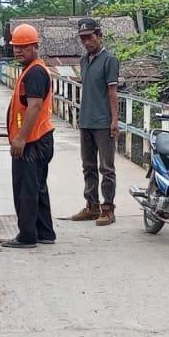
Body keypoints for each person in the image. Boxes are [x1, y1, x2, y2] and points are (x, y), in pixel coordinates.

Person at [2, 23, 55, 249]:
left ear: (35, 47)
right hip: (40, 138)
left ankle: (27, 236)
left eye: (24, 47)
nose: (18, 51)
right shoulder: (34, 69)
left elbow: (34, 106)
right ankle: (44, 232)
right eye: (16, 47)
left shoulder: (34, 72)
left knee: (26, 189)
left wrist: (21, 138)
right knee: (38, 187)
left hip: (32, 141)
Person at [68, 18, 120, 226]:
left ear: (99, 36)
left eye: (89, 37)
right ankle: (92, 205)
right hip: (86, 121)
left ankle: (108, 208)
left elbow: (112, 92)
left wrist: (115, 120)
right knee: (87, 166)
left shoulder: (109, 60)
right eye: (83, 38)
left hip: (103, 122)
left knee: (106, 167)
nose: (86, 42)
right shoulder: (83, 61)